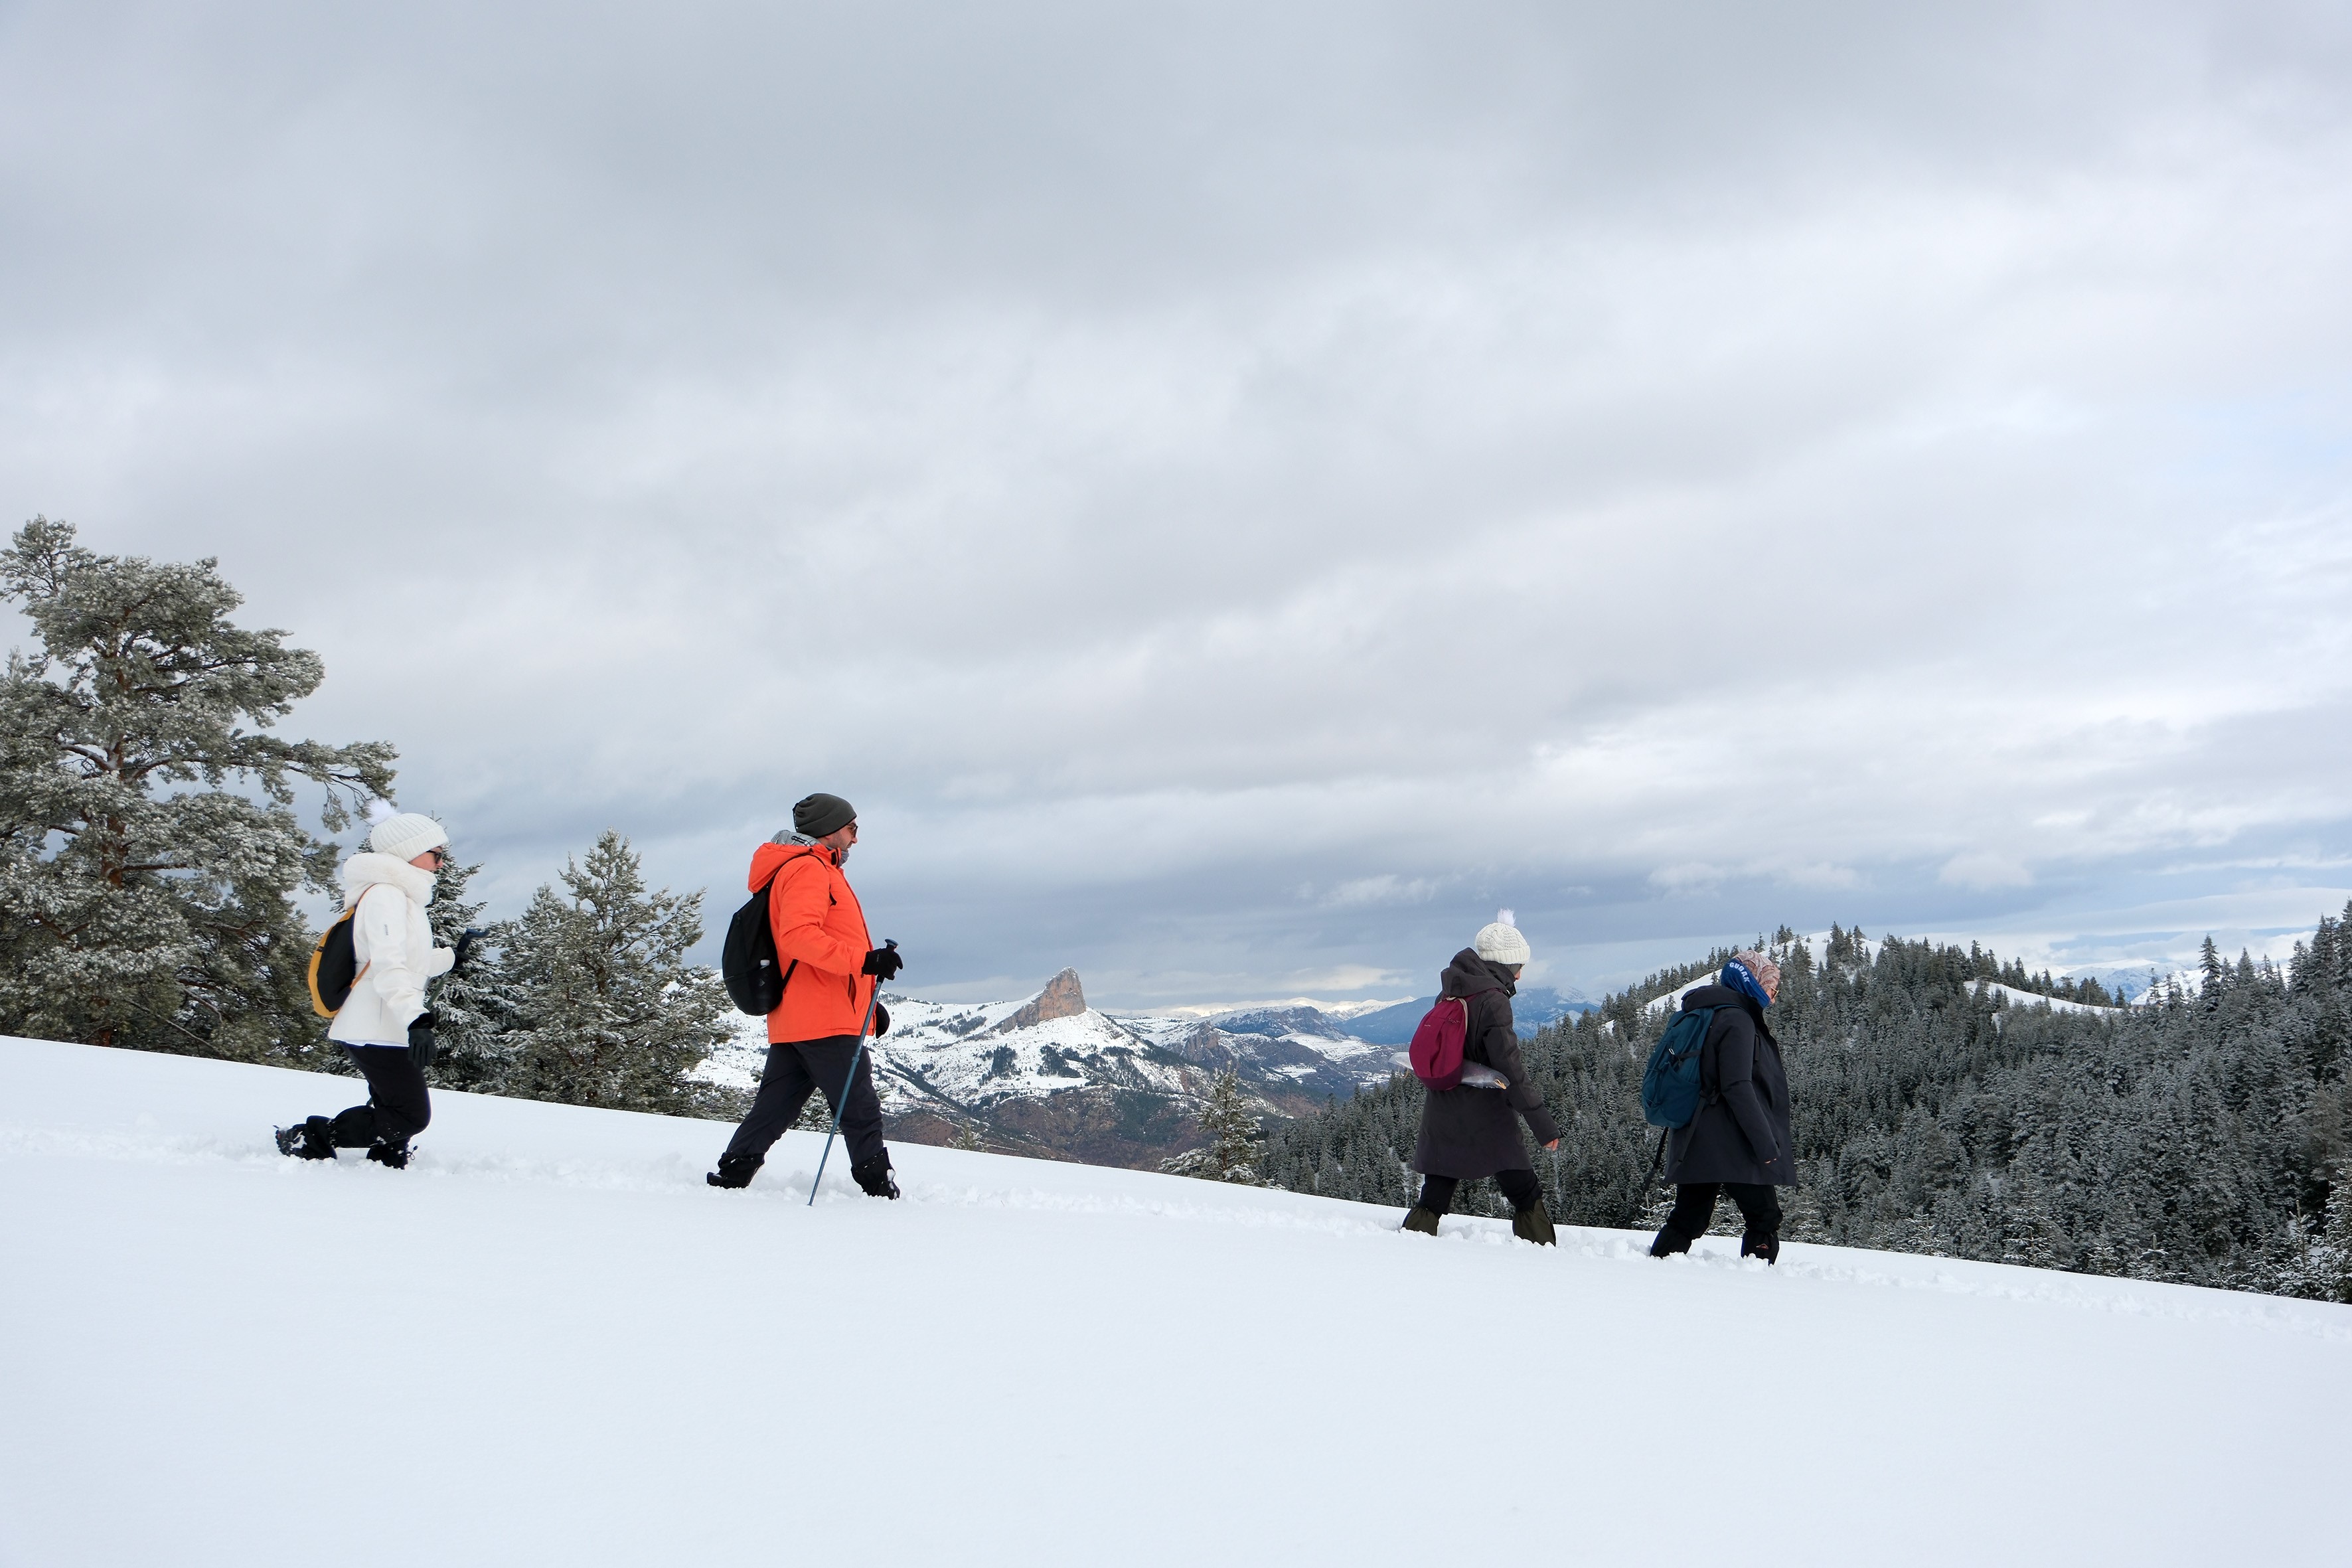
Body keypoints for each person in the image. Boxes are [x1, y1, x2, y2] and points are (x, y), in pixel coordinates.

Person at [706, 792, 906, 1198]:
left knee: (775, 1106)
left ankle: (732, 1173)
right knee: (859, 1108)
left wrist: (869, 1004)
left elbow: (819, 948)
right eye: (852, 829)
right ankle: (877, 1187)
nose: (855, 839)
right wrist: (866, 962)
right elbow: (799, 938)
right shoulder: (810, 871)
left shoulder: (810, 870)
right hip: (822, 1019)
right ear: (830, 830)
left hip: (802, 1013)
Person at [275, 812, 463, 1169]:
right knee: (411, 1114)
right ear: (409, 852)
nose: (442, 862)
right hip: (374, 1023)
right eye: (436, 853)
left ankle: (388, 1154)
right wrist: (418, 1020)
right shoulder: (386, 896)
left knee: (393, 1102)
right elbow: (387, 966)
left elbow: (412, 962)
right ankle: (311, 1136)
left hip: (385, 1021)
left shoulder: (401, 897)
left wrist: (454, 956)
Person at [1401, 915, 1563, 1245]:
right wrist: (1543, 1126)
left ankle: (1410, 1245)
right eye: (1519, 965)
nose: (1521, 973)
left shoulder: (1451, 992)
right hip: (1486, 1114)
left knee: (1437, 1188)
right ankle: (1544, 1253)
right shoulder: (1494, 1001)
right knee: (1524, 1188)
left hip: (1444, 1104)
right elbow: (1512, 1070)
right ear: (1505, 965)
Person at [1648, 950, 1793, 1263]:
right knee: (1765, 1216)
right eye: (1771, 986)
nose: (1774, 995)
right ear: (1753, 983)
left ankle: (1657, 1269)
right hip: (1731, 1138)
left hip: (1696, 1135)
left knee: (1689, 1216)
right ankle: (1760, 1284)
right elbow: (1737, 1086)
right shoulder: (1738, 1020)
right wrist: (1765, 1143)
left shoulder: (1711, 1011)